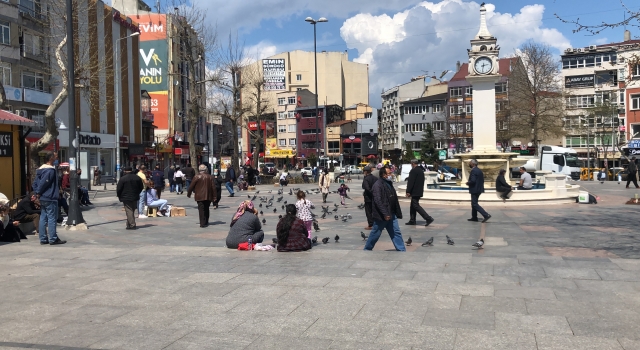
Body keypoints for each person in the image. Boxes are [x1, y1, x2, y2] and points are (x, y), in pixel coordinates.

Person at [364, 166, 405, 251]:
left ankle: (401, 249)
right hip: (382, 215)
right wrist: (385, 213)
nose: (391, 174)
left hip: (391, 213)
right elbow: (378, 201)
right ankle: (367, 249)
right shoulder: (377, 185)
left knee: (396, 232)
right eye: (389, 173)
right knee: (376, 233)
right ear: (384, 175)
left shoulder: (389, 183)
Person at [32, 151, 66, 245]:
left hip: (43, 198)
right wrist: (38, 192)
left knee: (43, 217)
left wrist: (37, 193)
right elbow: (44, 182)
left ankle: (43, 238)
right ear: (51, 158)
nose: (57, 159)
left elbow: (35, 184)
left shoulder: (40, 170)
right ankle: (53, 238)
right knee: (51, 218)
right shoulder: (50, 170)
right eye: (56, 157)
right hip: (50, 197)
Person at [405, 159, 435, 226]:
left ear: (413, 163)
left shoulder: (413, 171)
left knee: (415, 205)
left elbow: (410, 182)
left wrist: (408, 191)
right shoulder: (421, 170)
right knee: (413, 206)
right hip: (419, 190)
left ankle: (428, 218)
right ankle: (412, 220)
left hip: (414, 191)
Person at [466, 159, 490, 223]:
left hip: (474, 189)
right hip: (479, 189)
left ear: (473, 164)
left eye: (470, 163)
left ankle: (486, 215)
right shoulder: (479, 171)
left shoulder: (473, 171)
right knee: (474, 203)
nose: (469, 164)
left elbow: (473, 181)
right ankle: (474, 217)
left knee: (474, 204)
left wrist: (468, 183)